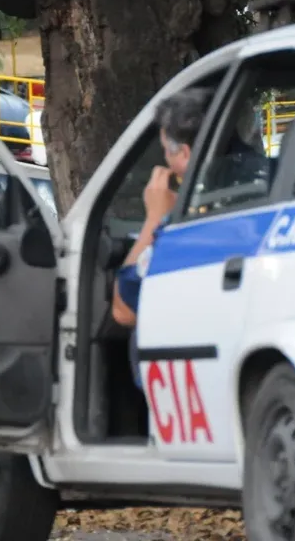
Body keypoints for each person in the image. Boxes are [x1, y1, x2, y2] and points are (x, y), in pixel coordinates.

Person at [112, 88, 210, 390]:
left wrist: (156, 218)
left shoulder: (193, 222)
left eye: (166, 151)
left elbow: (125, 309)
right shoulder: (261, 183)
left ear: (184, 154)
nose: (166, 163)